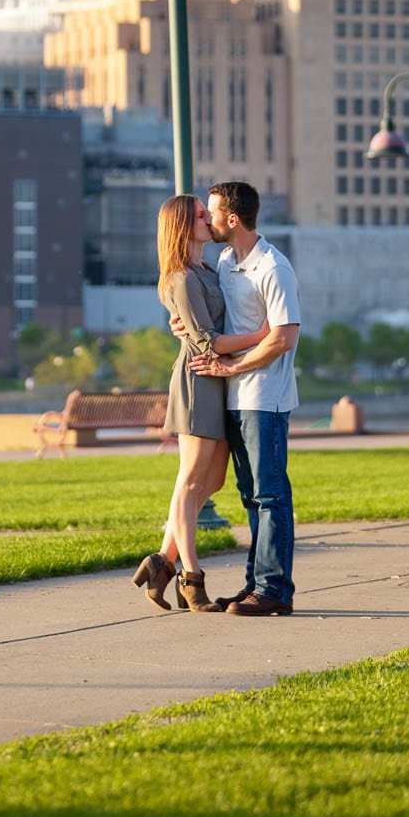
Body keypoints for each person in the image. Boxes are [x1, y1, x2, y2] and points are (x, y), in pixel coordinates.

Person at [131, 194, 267, 613]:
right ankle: (191, 578)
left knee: (212, 482)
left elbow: (200, 327)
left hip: (219, 378)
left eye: (208, 214)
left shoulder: (205, 269)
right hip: (198, 379)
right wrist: (262, 335)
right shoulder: (181, 278)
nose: (209, 220)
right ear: (182, 226)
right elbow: (207, 340)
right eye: (201, 215)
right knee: (191, 481)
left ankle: (161, 562)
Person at [187, 181, 301, 617]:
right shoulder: (225, 261)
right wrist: (187, 327)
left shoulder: (274, 267)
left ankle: (274, 591)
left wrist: (233, 368)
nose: (208, 220)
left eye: (212, 213)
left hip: (264, 398)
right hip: (235, 397)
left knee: (271, 495)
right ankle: (256, 584)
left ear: (232, 220)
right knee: (251, 496)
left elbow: (284, 338)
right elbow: (217, 316)